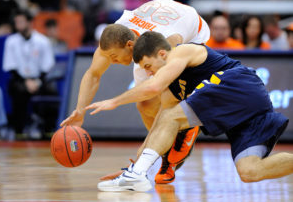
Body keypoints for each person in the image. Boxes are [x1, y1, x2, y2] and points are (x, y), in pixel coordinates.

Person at [86, 31, 292, 192]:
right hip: (248, 111)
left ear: (162, 54)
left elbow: (153, 87)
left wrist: (114, 101)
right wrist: (136, 165)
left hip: (237, 84)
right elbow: (160, 128)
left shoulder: (181, 52)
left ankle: (136, 175)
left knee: (171, 115)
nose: (148, 72)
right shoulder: (172, 91)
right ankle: (136, 174)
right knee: (250, 171)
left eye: (149, 65)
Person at [60, 0, 210, 184]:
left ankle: (180, 138)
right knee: (145, 105)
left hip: (190, 31)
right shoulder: (115, 34)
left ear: (130, 45)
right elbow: (93, 74)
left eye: (114, 57)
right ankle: (164, 151)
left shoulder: (165, 45)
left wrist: (137, 165)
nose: (112, 62)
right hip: (160, 15)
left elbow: (159, 94)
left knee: (169, 102)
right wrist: (80, 111)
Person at [3, 10, 56, 140]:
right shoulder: (11, 41)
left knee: (51, 91)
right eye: (16, 22)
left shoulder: (42, 41)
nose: (18, 25)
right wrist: (26, 82)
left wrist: (37, 82)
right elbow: (11, 66)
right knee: (18, 90)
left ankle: (48, 130)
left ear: (30, 23)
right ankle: (19, 131)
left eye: (21, 22)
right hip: (19, 79)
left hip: (39, 79)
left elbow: (48, 66)